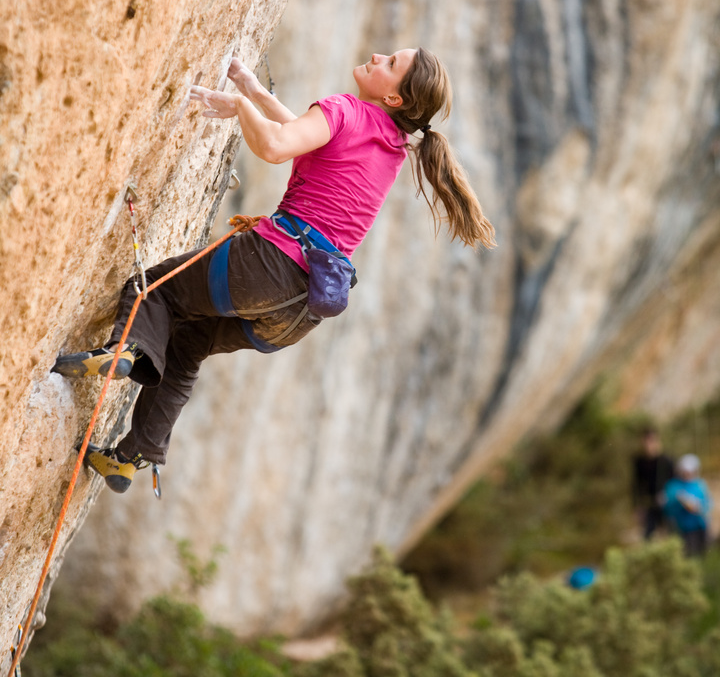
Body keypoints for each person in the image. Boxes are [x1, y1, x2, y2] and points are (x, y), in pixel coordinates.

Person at [53, 48, 496, 492]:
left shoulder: (345, 108)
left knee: (155, 290)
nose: (378, 56)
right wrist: (250, 87)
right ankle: (129, 458)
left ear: (396, 98)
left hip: (271, 265)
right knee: (187, 346)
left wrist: (240, 106)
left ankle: (123, 351)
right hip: (302, 311)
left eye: (391, 64)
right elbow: (305, 135)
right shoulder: (391, 144)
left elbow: (275, 145)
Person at [662, 453, 712, 557]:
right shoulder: (673, 486)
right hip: (681, 528)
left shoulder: (700, 484)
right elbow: (668, 507)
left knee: (702, 553)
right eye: (685, 471)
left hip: (699, 525)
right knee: (687, 554)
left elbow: (708, 504)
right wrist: (680, 502)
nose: (688, 474)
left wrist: (699, 507)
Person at [631, 427, 674, 539]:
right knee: (648, 535)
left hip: (666, 503)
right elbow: (636, 485)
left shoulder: (666, 460)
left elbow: (674, 482)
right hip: (649, 504)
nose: (649, 444)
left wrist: (667, 494)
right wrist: (637, 506)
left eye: (652, 441)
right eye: (647, 441)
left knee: (668, 533)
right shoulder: (639, 461)